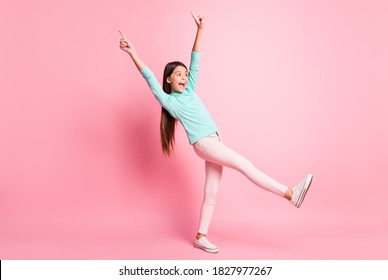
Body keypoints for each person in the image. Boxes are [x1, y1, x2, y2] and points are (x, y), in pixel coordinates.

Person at [119, 12, 313, 254]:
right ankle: (290, 193)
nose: (184, 76)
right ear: (168, 80)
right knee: (245, 165)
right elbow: (148, 77)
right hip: (204, 144)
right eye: (178, 74)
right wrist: (132, 52)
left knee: (211, 192)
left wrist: (200, 29)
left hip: (214, 140)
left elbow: (196, 59)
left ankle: (201, 236)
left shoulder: (189, 91)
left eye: (184, 74)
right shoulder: (170, 101)